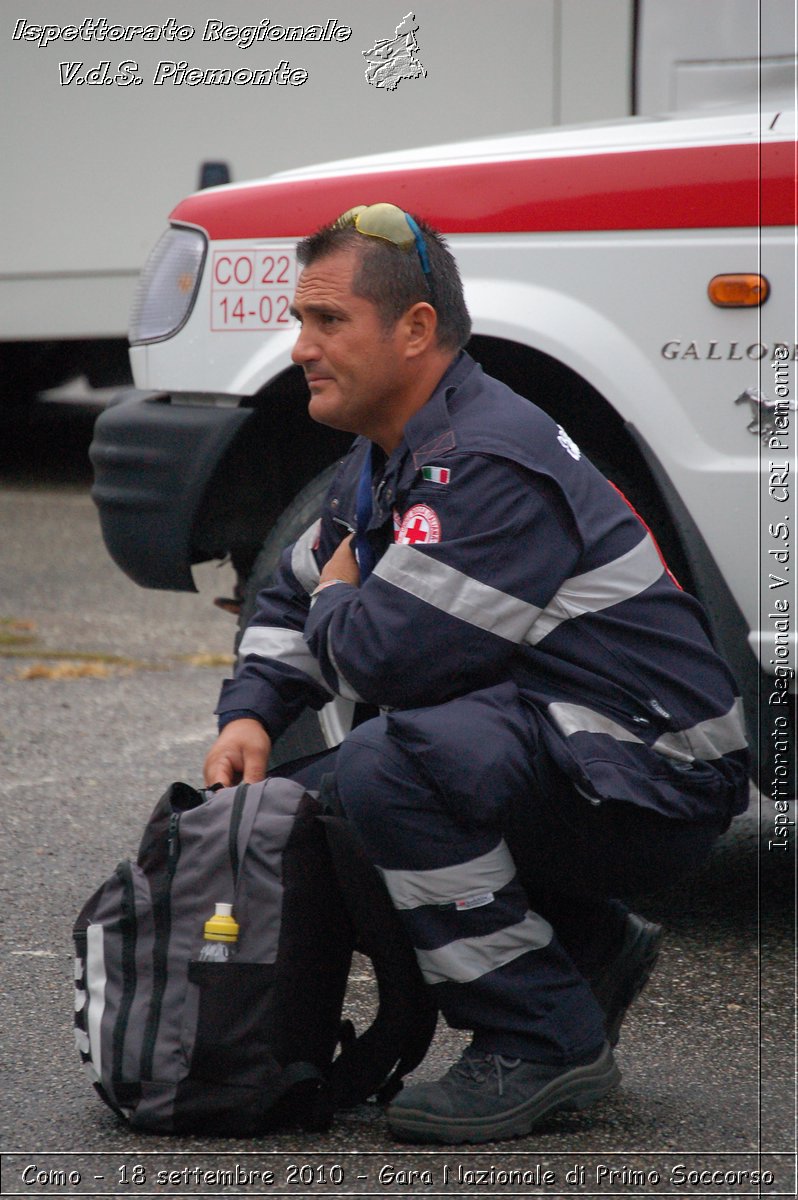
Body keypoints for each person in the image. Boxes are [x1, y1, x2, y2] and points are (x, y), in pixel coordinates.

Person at [203, 203, 750, 1144]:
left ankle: (542, 1039)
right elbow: (294, 595)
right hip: (572, 740)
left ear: (416, 331)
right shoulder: (387, 460)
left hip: (659, 775)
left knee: (389, 768)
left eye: (328, 321)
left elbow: (387, 658)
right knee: (318, 794)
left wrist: (340, 599)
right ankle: (583, 946)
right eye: (300, 321)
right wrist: (251, 714)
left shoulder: (486, 462)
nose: (300, 347)